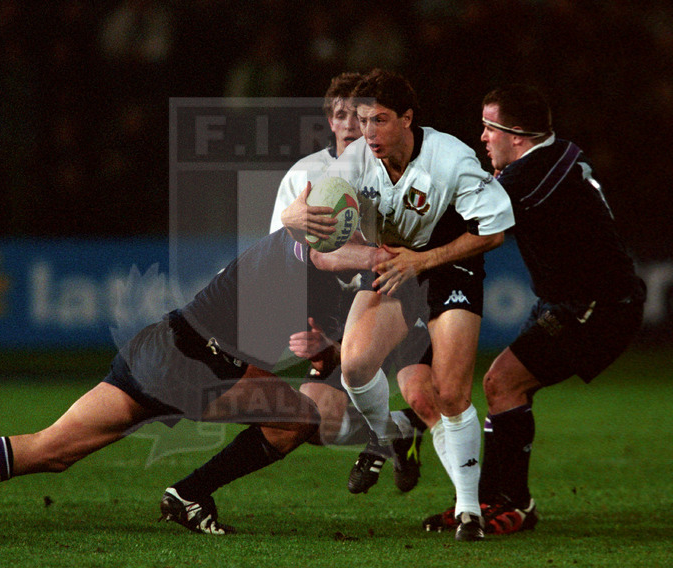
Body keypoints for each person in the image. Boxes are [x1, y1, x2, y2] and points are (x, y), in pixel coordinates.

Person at [0, 227, 388, 538]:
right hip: (194, 365)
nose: (364, 243)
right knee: (297, 416)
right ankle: (189, 493)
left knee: (53, 449)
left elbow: (322, 352)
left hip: (161, 346)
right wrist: (383, 259)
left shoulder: (327, 284)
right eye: (360, 235)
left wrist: (328, 353)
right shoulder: (297, 245)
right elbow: (322, 255)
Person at [281, 69, 515, 541]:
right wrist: (294, 219)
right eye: (363, 120)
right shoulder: (354, 162)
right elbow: (317, 241)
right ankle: (388, 434)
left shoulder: (450, 158)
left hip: (448, 264)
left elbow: (493, 231)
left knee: (448, 394)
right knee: (355, 366)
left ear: (408, 119)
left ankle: (469, 510)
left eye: (380, 120)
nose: (368, 133)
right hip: (392, 264)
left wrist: (424, 259)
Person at [423, 83, 646, 535]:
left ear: (517, 134)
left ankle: (514, 504)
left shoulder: (532, 176)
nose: (482, 137)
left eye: (489, 128)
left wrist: (416, 251)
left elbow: (473, 225)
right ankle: (489, 499)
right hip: (572, 301)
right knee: (504, 386)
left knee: (502, 382)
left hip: (599, 307)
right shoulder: (552, 158)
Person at [269, 71, 434, 493]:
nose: (351, 125)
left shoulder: (393, 164)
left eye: (360, 116)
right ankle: (395, 432)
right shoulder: (305, 176)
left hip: (399, 295)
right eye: (341, 115)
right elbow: (290, 255)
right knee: (316, 420)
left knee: (428, 399)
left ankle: (470, 506)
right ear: (329, 120)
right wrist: (308, 324)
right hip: (336, 317)